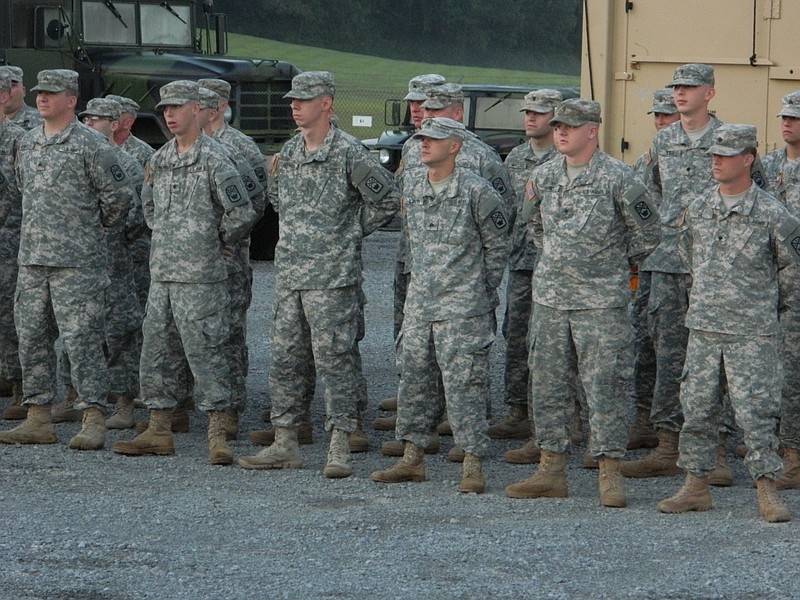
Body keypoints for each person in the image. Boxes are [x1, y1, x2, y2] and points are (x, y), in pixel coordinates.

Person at [237, 71, 399, 478]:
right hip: (291, 276)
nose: (294, 106)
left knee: (336, 360)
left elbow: (387, 200)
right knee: (286, 361)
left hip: (332, 278)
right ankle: (285, 441)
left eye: (303, 100)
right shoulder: (289, 153)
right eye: (293, 100)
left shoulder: (348, 152)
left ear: (326, 103)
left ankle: (341, 442)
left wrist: (347, 231)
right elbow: (277, 200)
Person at [505, 99, 660, 508]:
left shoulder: (619, 179)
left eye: (569, 127)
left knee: (605, 386)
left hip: (600, 303)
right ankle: (550, 469)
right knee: (549, 385)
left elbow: (646, 237)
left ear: (592, 130)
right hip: (552, 300)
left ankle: (609, 471)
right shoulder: (543, 177)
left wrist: (606, 266)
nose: (560, 133)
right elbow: (533, 226)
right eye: (557, 126)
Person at [657, 124, 800, 523]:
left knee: (756, 414)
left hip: (751, 331)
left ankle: (767, 489)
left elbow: (792, 275)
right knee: (698, 409)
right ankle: (695, 486)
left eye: (726, 154)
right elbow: (688, 258)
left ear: (748, 159)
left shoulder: (773, 214)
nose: (716, 160)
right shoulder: (700, 208)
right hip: (704, 328)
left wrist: (762, 310)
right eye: (714, 154)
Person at [112, 80, 254, 465]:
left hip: (202, 277)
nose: (169, 115)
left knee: (207, 352)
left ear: (197, 109)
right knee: (157, 352)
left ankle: (217, 432)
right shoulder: (160, 160)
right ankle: (158, 428)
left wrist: (215, 240)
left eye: (176, 107)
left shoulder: (216, 158)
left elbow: (242, 212)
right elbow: (149, 207)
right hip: (163, 274)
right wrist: (170, 237)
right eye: (164, 110)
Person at [370, 117, 510, 492]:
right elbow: (414, 244)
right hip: (420, 306)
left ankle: (472, 463)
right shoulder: (413, 187)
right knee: (414, 382)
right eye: (421, 139)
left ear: (455, 146)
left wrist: (480, 290)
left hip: (463, 309)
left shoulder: (477, 192)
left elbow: (497, 247)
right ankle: (412, 458)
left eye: (433, 139)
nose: (423, 144)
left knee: (465, 386)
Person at [0, 69, 132, 450]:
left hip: (77, 261)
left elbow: (120, 198)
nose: (42, 98)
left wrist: (89, 233)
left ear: (71, 100)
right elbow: (20, 189)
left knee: (82, 339)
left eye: (52, 93)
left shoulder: (92, 144)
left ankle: (93, 416)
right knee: (31, 337)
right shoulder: (26, 143)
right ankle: (38, 416)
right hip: (33, 259)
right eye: (40, 92)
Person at [622, 64, 736, 483]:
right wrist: (647, 248)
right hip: (666, 265)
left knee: (714, 359)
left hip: (714, 269)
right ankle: (668, 445)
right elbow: (646, 198)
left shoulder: (728, 140)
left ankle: (717, 452)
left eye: (688, 87)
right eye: (676, 87)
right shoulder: (664, 141)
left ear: (710, 93)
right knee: (668, 355)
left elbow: (751, 192)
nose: (679, 94)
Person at [489, 89, 562, 455]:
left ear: (555, 116)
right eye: (527, 112)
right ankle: (518, 409)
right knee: (516, 334)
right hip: (520, 261)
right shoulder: (515, 158)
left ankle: (550, 419)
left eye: (538, 112)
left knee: (550, 345)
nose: (530, 118)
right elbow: (502, 206)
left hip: (554, 266)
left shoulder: (563, 158)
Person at [78, 97, 145, 430]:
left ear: (115, 123)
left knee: (120, 328)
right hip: (80, 258)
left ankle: (123, 402)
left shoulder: (127, 163)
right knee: (80, 327)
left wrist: (109, 233)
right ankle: (75, 395)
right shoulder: (79, 156)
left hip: (114, 258)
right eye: (86, 120)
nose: (90, 125)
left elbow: (135, 215)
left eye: (97, 120)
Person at [626, 88, 681, 450]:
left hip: (679, 264)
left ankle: (677, 430)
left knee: (674, 347)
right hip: (648, 262)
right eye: (657, 116)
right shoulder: (646, 160)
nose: (661, 122)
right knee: (643, 342)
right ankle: (645, 417)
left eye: (667, 115)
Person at [763, 90, 800, 489]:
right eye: (784, 117)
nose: (787, 123)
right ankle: (777, 444)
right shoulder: (768, 165)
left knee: (794, 371)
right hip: (772, 284)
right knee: (775, 369)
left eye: (795, 117)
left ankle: (793, 455)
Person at [106, 95, 155, 313]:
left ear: (127, 123)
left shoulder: (144, 154)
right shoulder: (95, 149)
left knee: (136, 302)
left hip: (135, 243)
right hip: (107, 246)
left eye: (116, 115)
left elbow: (148, 200)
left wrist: (128, 233)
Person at [0, 69, 26, 420]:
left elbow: (21, 191)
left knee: (13, 314)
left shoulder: (21, 137)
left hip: (15, 236)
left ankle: (21, 386)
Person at [0, 66, 42, 131]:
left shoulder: (42, 121)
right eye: (1, 86)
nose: (6, 91)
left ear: (23, 91)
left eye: (12, 85)